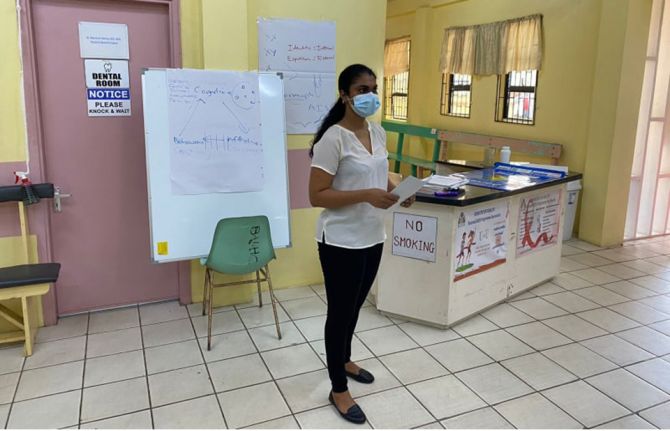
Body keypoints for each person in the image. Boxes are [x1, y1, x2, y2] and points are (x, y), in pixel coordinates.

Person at [308, 64, 413, 424]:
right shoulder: (332, 139)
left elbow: (379, 174)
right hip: (340, 241)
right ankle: (338, 388)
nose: (370, 95)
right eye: (362, 89)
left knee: (353, 309)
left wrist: (395, 191)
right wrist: (367, 194)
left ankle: (345, 359)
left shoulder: (377, 132)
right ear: (345, 95)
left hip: (372, 236)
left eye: (374, 87)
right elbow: (316, 195)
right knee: (339, 314)